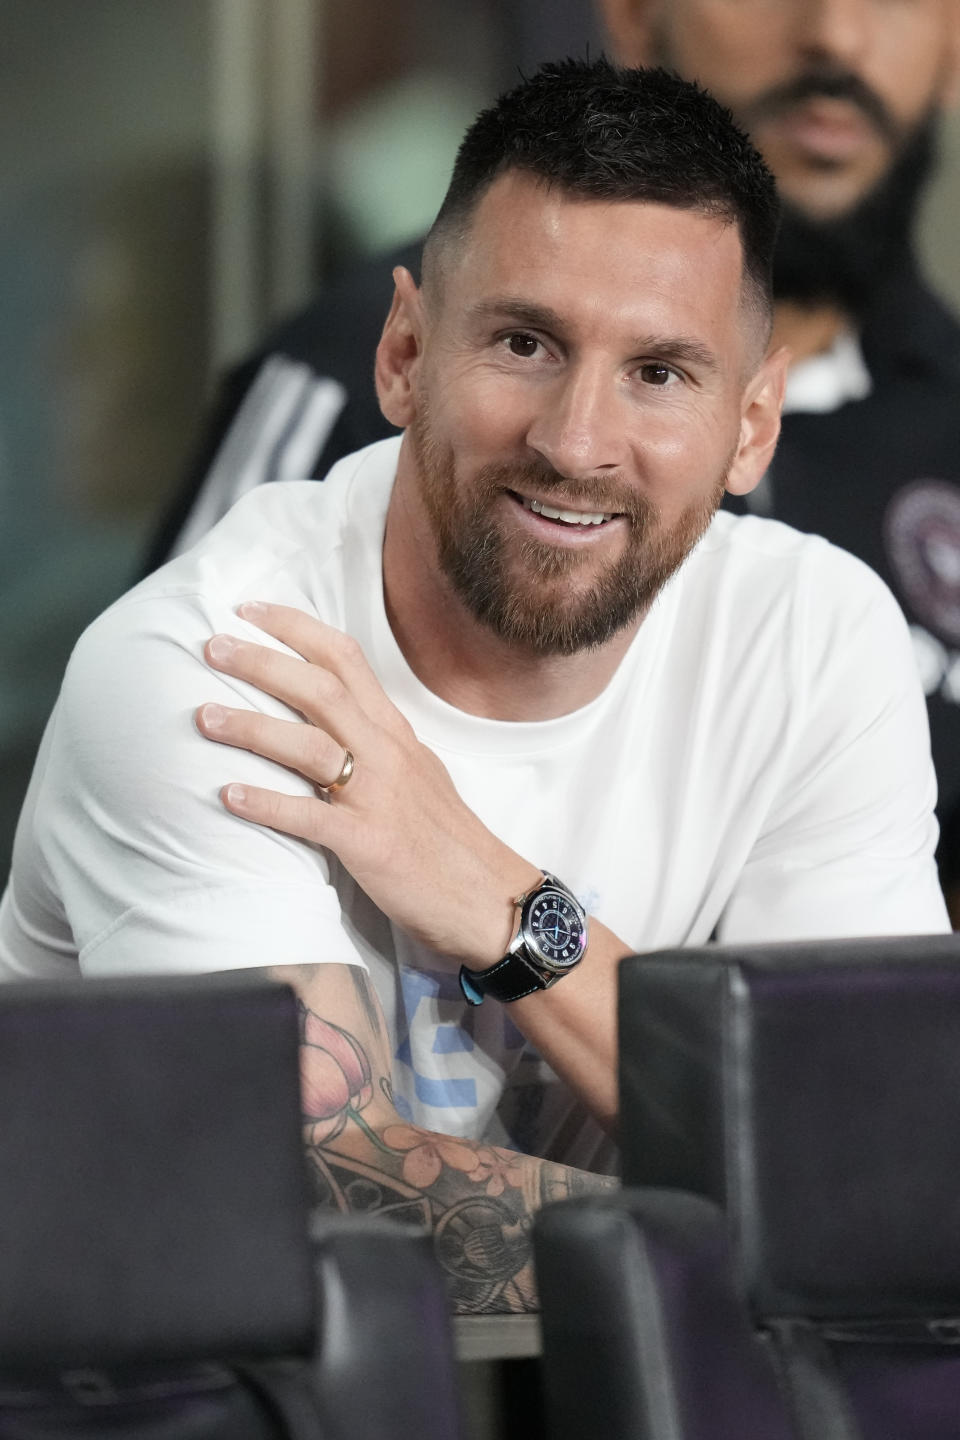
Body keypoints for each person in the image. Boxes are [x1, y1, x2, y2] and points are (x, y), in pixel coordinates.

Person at [0, 61, 948, 1314]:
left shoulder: (815, 637)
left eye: (660, 373)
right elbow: (307, 1193)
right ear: (403, 353)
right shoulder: (216, 666)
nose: (576, 440)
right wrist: (796, 1236)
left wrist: (508, 910)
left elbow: (886, 1143)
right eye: (523, 342)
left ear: (754, 423)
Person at [143, 0, 960, 914]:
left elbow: (860, 1028)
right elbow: (183, 737)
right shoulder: (358, 367)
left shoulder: (887, 518)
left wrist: (498, 907)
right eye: (527, 345)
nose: (835, 36)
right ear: (638, 19)